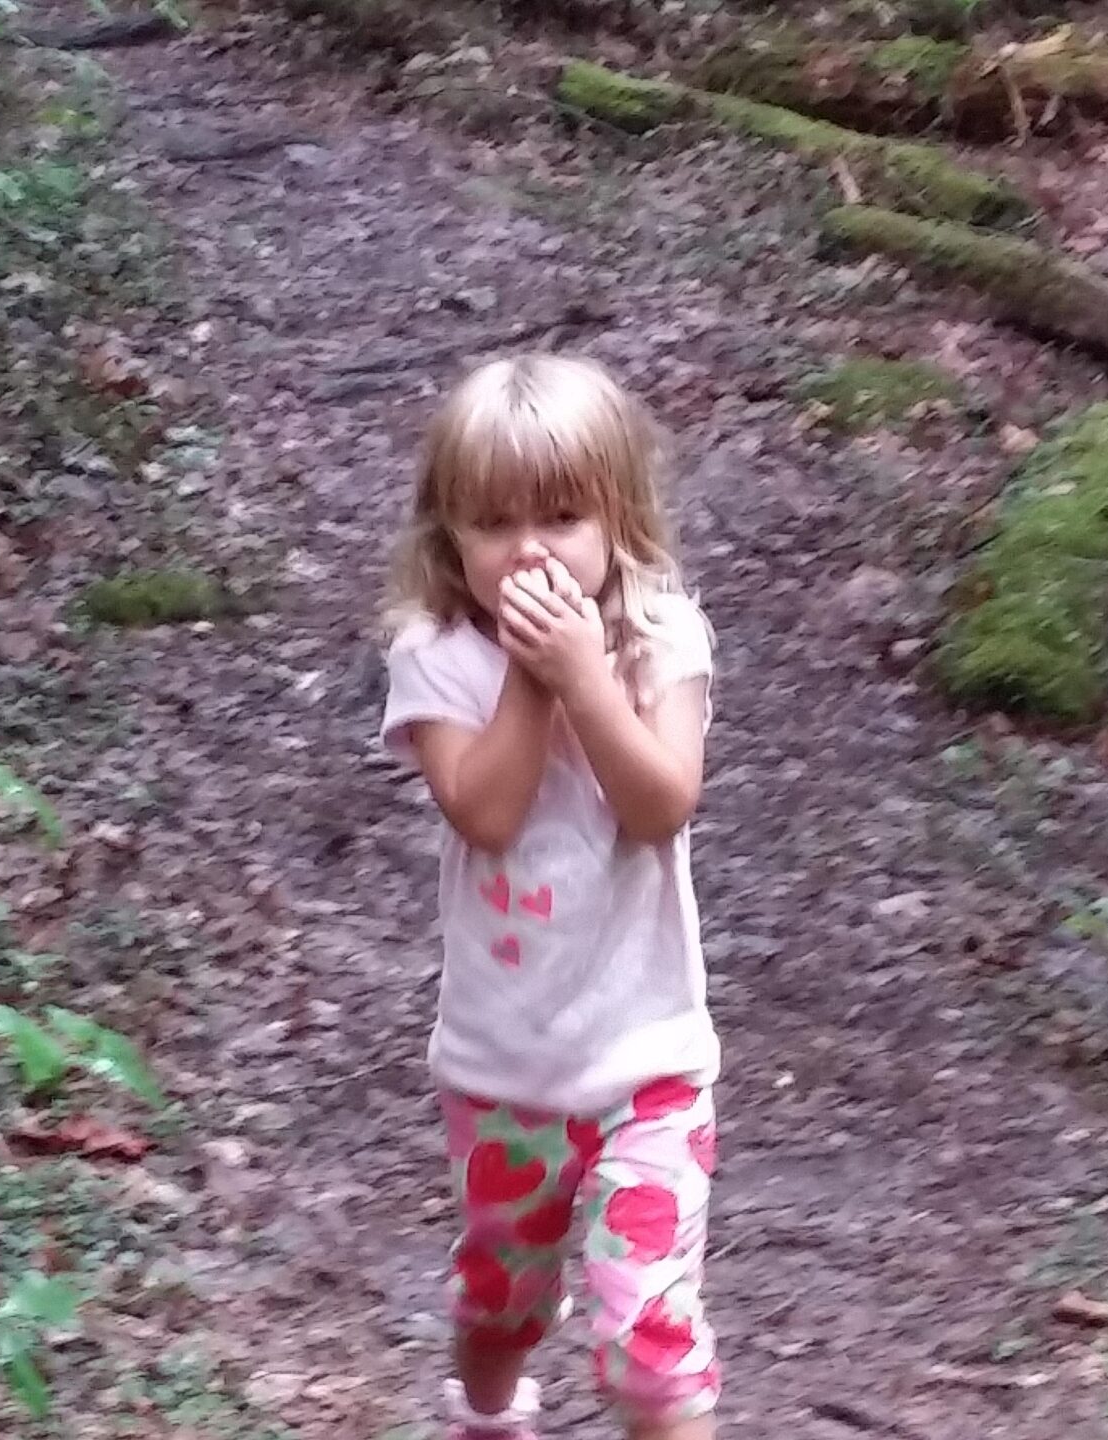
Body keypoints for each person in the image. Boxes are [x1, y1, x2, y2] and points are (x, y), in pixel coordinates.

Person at [377, 353, 723, 1440]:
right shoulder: (435, 655)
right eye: (495, 525)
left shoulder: (663, 637)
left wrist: (588, 675)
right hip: (502, 1072)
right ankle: (488, 1415)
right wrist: (535, 676)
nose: (529, 549)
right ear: (451, 539)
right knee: (501, 1303)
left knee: (650, 1352)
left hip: (649, 1062)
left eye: (563, 517)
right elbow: (483, 813)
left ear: (619, 517)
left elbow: (660, 804)